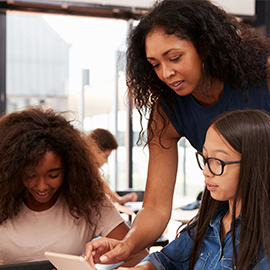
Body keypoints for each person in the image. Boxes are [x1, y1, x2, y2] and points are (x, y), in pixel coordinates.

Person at [83, 0, 270, 265]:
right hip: (228, 217)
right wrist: (127, 245)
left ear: (204, 46)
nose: (167, 73)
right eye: (155, 64)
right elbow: (156, 207)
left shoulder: (265, 72)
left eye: (174, 58)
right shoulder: (166, 113)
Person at [104, 109, 270, 269]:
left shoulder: (264, 241)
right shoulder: (207, 223)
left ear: (255, 165)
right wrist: (143, 268)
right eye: (205, 159)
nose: (206, 171)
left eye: (218, 161)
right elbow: (164, 260)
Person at [0, 106, 148, 265]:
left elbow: (140, 257)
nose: (42, 186)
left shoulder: (89, 202)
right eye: (30, 175)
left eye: (53, 175)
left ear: (69, 168)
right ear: (13, 171)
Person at [87, 128, 138, 205]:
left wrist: (120, 199)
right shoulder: (86, 170)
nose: (106, 162)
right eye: (106, 156)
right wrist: (120, 200)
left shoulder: (94, 171)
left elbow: (103, 185)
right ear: (95, 150)